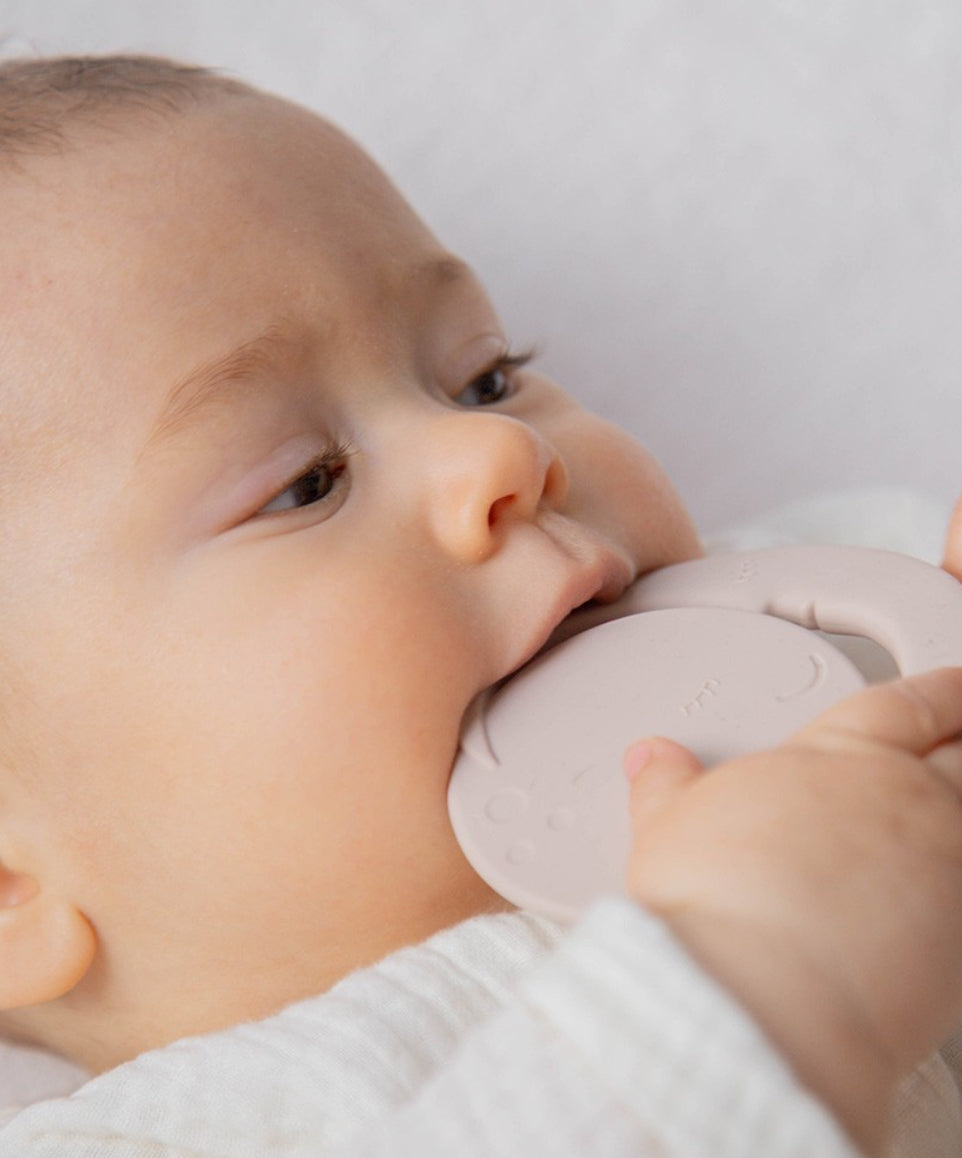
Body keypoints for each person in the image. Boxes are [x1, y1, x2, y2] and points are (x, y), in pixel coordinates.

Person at [0, 54, 960, 1157]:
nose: (499, 450)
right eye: (305, 482)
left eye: (486, 376)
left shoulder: (837, 622)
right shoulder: (165, 1135)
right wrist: (763, 980)